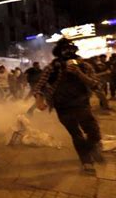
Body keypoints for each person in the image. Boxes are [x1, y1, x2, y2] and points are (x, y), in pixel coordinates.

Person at [33, 39, 105, 174]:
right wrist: (39, 100)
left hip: (82, 105)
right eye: (64, 49)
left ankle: (91, 148)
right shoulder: (52, 68)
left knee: (94, 133)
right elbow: (39, 86)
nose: (68, 52)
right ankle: (86, 162)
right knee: (76, 134)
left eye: (70, 49)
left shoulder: (85, 66)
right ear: (59, 52)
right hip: (63, 107)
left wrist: (79, 73)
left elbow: (96, 85)